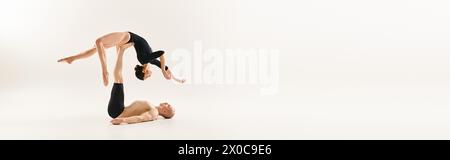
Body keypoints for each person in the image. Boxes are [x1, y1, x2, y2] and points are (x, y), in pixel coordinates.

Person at [57, 31, 185, 86]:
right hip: (127, 37)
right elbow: (163, 57)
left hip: (126, 38)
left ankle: (104, 70)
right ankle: (72, 59)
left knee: (99, 43)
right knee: (97, 45)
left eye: (147, 76)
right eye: (148, 76)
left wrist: (164, 71)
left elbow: (162, 58)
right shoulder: (149, 60)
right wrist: (174, 78)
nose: (150, 75)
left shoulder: (144, 60)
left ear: (144, 71)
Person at [107, 43, 175, 125]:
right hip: (119, 109)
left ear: (165, 111)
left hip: (117, 112)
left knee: (119, 80)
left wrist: (123, 121)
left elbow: (141, 118)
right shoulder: (153, 107)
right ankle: (120, 50)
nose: (167, 103)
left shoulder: (154, 113)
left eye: (168, 106)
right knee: (118, 80)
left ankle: (121, 50)